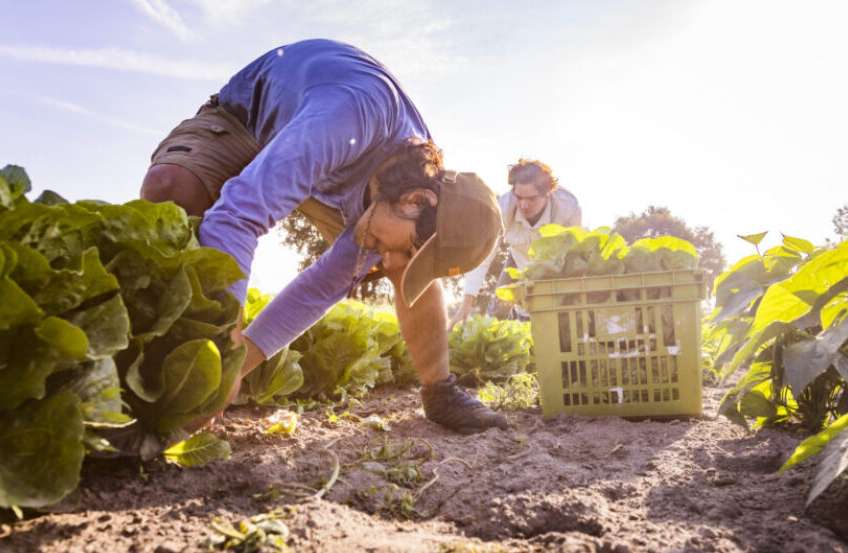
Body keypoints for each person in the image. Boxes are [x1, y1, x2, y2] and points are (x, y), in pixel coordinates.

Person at [140, 39, 507, 435]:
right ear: (416, 199)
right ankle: (151, 357)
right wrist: (223, 352)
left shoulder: (404, 193)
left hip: (336, 170)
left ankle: (440, 392)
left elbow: (320, 289)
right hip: (246, 123)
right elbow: (236, 218)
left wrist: (231, 373)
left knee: (403, 263)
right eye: (407, 247)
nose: (392, 260)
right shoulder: (352, 116)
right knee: (172, 188)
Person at [448, 159, 582, 330]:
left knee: (553, 317)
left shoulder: (568, 208)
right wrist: (466, 304)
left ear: (548, 192)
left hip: (554, 268)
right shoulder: (502, 209)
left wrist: (530, 287)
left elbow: (572, 257)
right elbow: (482, 258)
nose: (524, 205)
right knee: (497, 308)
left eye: (531, 199)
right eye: (519, 197)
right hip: (517, 260)